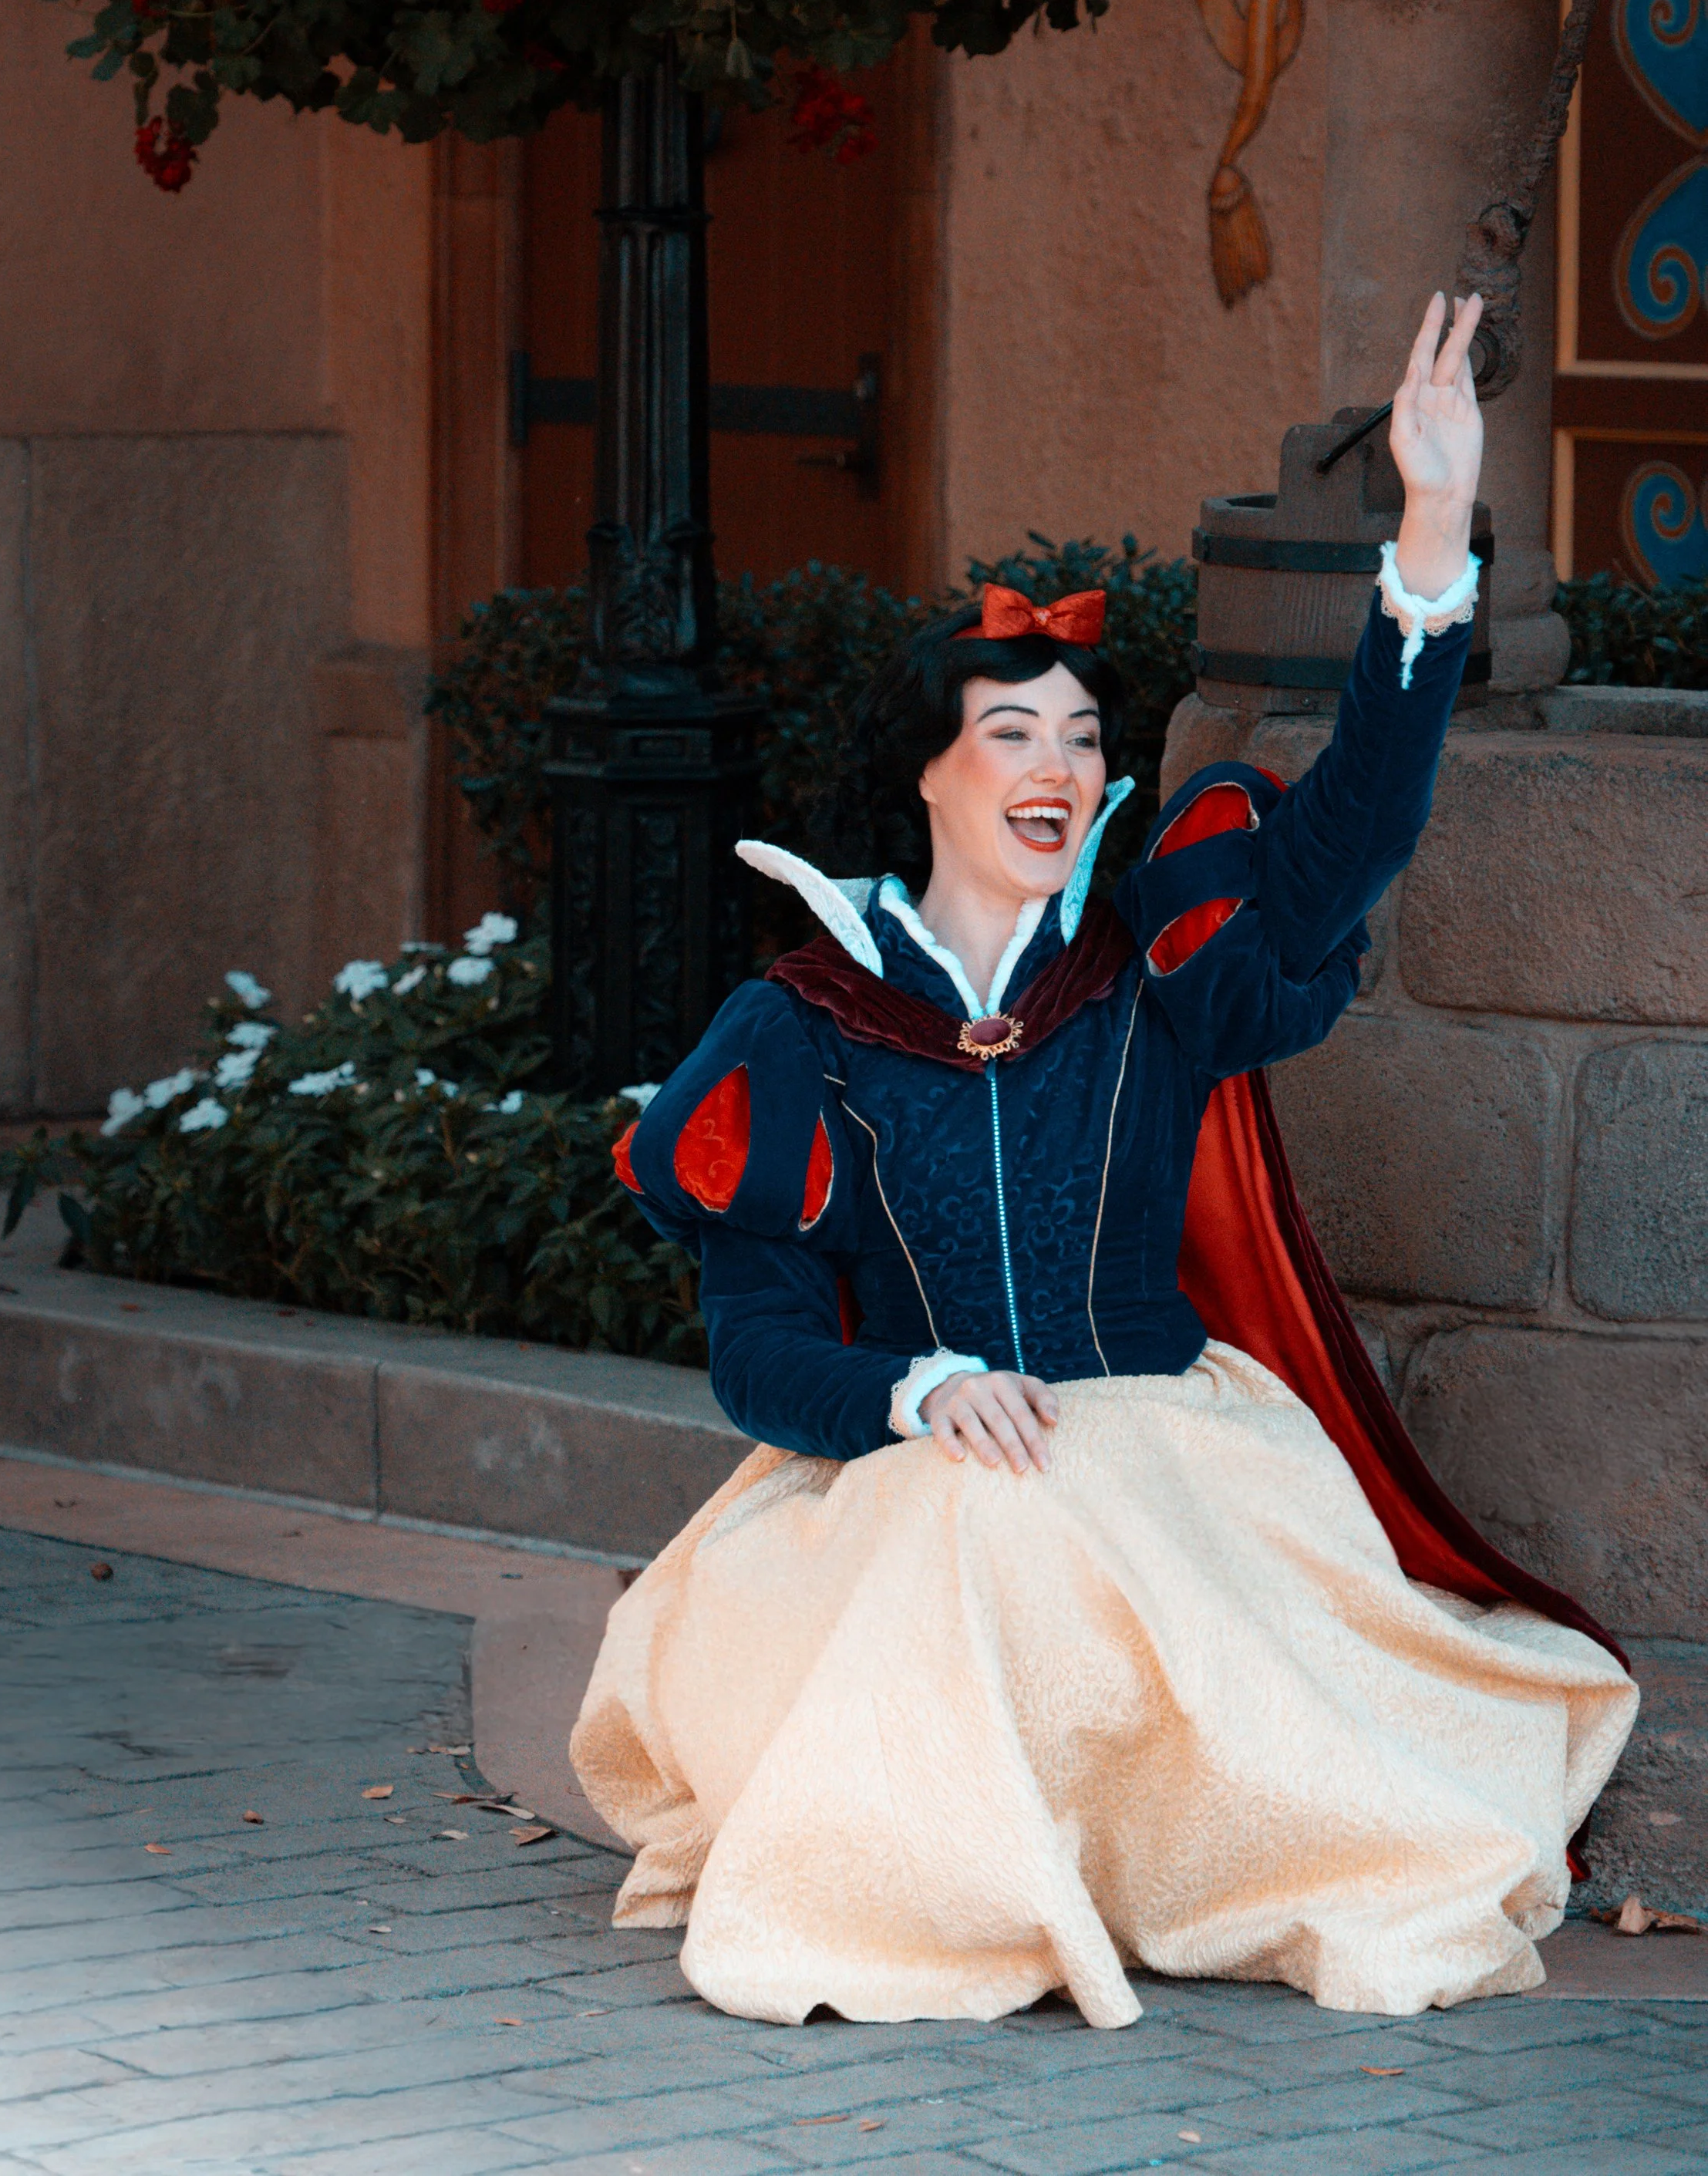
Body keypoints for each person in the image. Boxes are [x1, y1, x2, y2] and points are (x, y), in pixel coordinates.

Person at [572, 291, 1637, 2033]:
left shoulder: (1147, 965)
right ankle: (961, 1887)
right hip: (898, 1478)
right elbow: (752, 1351)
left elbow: (1350, 831)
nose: (1058, 764)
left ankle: (1089, 1860)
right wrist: (916, 1393)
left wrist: (1428, 532)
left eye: (1080, 735)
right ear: (926, 774)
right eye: (1013, 734)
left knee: (1031, 1541)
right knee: (962, 1530)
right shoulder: (802, 1025)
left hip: (1157, 1453)